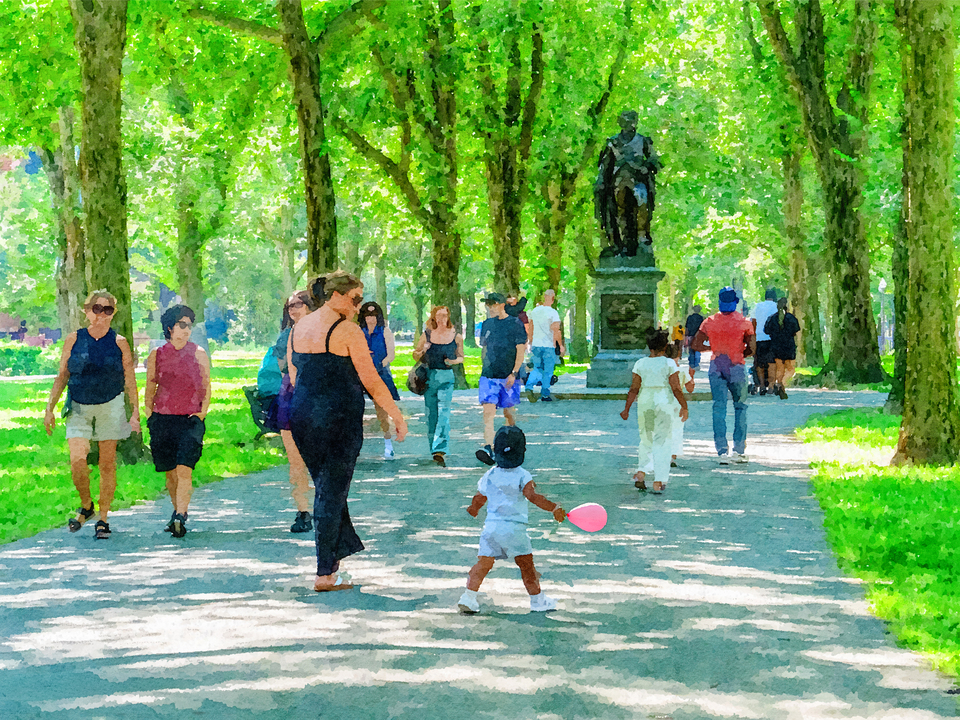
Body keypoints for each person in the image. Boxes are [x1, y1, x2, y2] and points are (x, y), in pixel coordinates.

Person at [287, 271, 408, 592]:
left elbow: (297, 375)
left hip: (302, 416)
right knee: (331, 491)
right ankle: (325, 574)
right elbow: (371, 379)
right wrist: (396, 414)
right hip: (338, 419)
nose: (358, 307)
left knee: (327, 487)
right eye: (354, 300)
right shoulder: (348, 331)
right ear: (335, 296)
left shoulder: (299, 327)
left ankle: (337, 557)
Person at [43, 290, 141, 540]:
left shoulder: (119, 342)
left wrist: (135, 414)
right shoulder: (74, 339)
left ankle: (103, 518)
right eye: (96, 309)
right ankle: (87, 505)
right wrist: (49, 408)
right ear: (86, 311)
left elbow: (130, 379)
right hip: (79, 405)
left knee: (107, 463)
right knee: (77, 460)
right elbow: (63, 374)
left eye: (107, 310)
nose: (101, 315)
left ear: (113, 313)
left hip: (110, 404)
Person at [458, 425, 566, 614]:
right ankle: (538, 600)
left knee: (483, 564)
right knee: (526, 566)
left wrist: (473, 509)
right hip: (515, 529)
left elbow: (479, 497)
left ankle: (468, 597)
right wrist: (554, 508)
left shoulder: (489, 474)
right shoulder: (523, 475)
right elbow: (533, 496)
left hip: (491, 528)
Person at [143, 305, 211, 539]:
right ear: (170, 327)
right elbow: (151, 382)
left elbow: (206, 385)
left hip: (189, 418)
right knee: (170, 471)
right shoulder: (157, 354)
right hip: (162, 417)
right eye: (182, 325)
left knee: (184, 468)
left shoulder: (198, 352)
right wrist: (148, 410)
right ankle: (176, 511)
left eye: (189, 325)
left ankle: (182, 514)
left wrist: (202, 412)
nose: (186, 329)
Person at [620, 327, 689, 494]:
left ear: (648, 346)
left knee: (645, 438)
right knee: (663, 440)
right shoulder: (669, 363)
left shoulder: (640, 363)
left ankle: (641, 472)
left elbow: (634, 388)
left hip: (645, 400)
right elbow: (676, 387)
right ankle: (659, 480)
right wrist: (684, 406)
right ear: (665, 347)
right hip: (663, 400)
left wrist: (626, 408)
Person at [692, 287, 756, 464]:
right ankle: (739, 450)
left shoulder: (709, 322)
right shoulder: (745, 323)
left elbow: (696, 344)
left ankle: (722, 451)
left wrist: (712, 347)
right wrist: (740, 352)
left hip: (716, 366)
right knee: (740, 407)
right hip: (736, 366)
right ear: (735, 302)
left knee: (719, 407)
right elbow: (752, 348)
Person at [274, 291, 316, 533]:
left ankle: (324, 508)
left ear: (309, 306)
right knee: (295, 461)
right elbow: (283, 368)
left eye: (298, 305)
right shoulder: (286, 336)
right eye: (289, 306)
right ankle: (303, 511)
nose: (292, 309)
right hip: (291, 397)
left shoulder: (324, 332)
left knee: (319, 459)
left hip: (318, 399)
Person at [475, 292, 528, 465]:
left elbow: (520, 349)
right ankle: (488, 447)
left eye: (493, 304)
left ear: (502, 305)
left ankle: (514, 442)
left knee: (508, 413)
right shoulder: (487, 324)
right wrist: (484, 368)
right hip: (489, 376)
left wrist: (514, 372)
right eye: (488, 305)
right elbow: (485, 348)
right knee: (488, 413)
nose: (490, 308)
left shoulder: (514, 324)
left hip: (508, 377)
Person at [412, 306, 464, 467]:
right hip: (429, 377)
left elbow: (461, 357)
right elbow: (415, 354)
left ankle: (440, 449)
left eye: (444, 315)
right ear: (434, 317)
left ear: (448, 316)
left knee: (444, 412)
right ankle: (433, 448)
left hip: (446, 376)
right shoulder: (427, 334)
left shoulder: (456, 336)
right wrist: (422, 350)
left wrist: (453, 361)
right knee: (431, 414)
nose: (441, 319)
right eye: (438, 316)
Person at [359, 301, 401, 460]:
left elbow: (390, 355)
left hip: (380, 374)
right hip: (360, 374)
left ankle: (388, 443)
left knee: (382, 412)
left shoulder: (385, 331)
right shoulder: (358, 332)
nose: (371, 318)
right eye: (368, 315)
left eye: (374, 315)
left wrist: (377, 366)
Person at [524, 289, 565, 403]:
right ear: (552, 298)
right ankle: (545, 394)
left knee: (537, 368)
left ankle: (529, 387)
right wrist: (560, 345)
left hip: (536, 345)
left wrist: (530, 341)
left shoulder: (535, 311)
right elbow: (556, 330)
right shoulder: (553, 313)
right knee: (548, 370)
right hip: (548, 345)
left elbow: (531, 328)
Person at [764, 297, 801, 400]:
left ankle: (780, 386)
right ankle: (781, 384)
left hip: (776, 346)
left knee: (780, 369)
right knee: (790, 369)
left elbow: (766, 331)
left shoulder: (772, 318)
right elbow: (797, 333)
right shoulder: (792, 318)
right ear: (787, 306)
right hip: (789, 346)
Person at [750, 288, 779, 396]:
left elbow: (753, 322)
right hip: (773, 339)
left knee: (759, 363)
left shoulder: (757, 306)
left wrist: (753, 336)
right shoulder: (777, 307)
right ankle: (771, 385)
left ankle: (762, 385)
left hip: (759, 338)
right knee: (772, 362)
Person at [684, 304, 704, 388]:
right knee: (697, 350)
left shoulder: (689, 317)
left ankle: (691, 364)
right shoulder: (701, 318)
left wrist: (686, 336)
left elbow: (687, 328)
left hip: (691, 336)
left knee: (691, 350)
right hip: (698, 336)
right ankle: (696, 364)